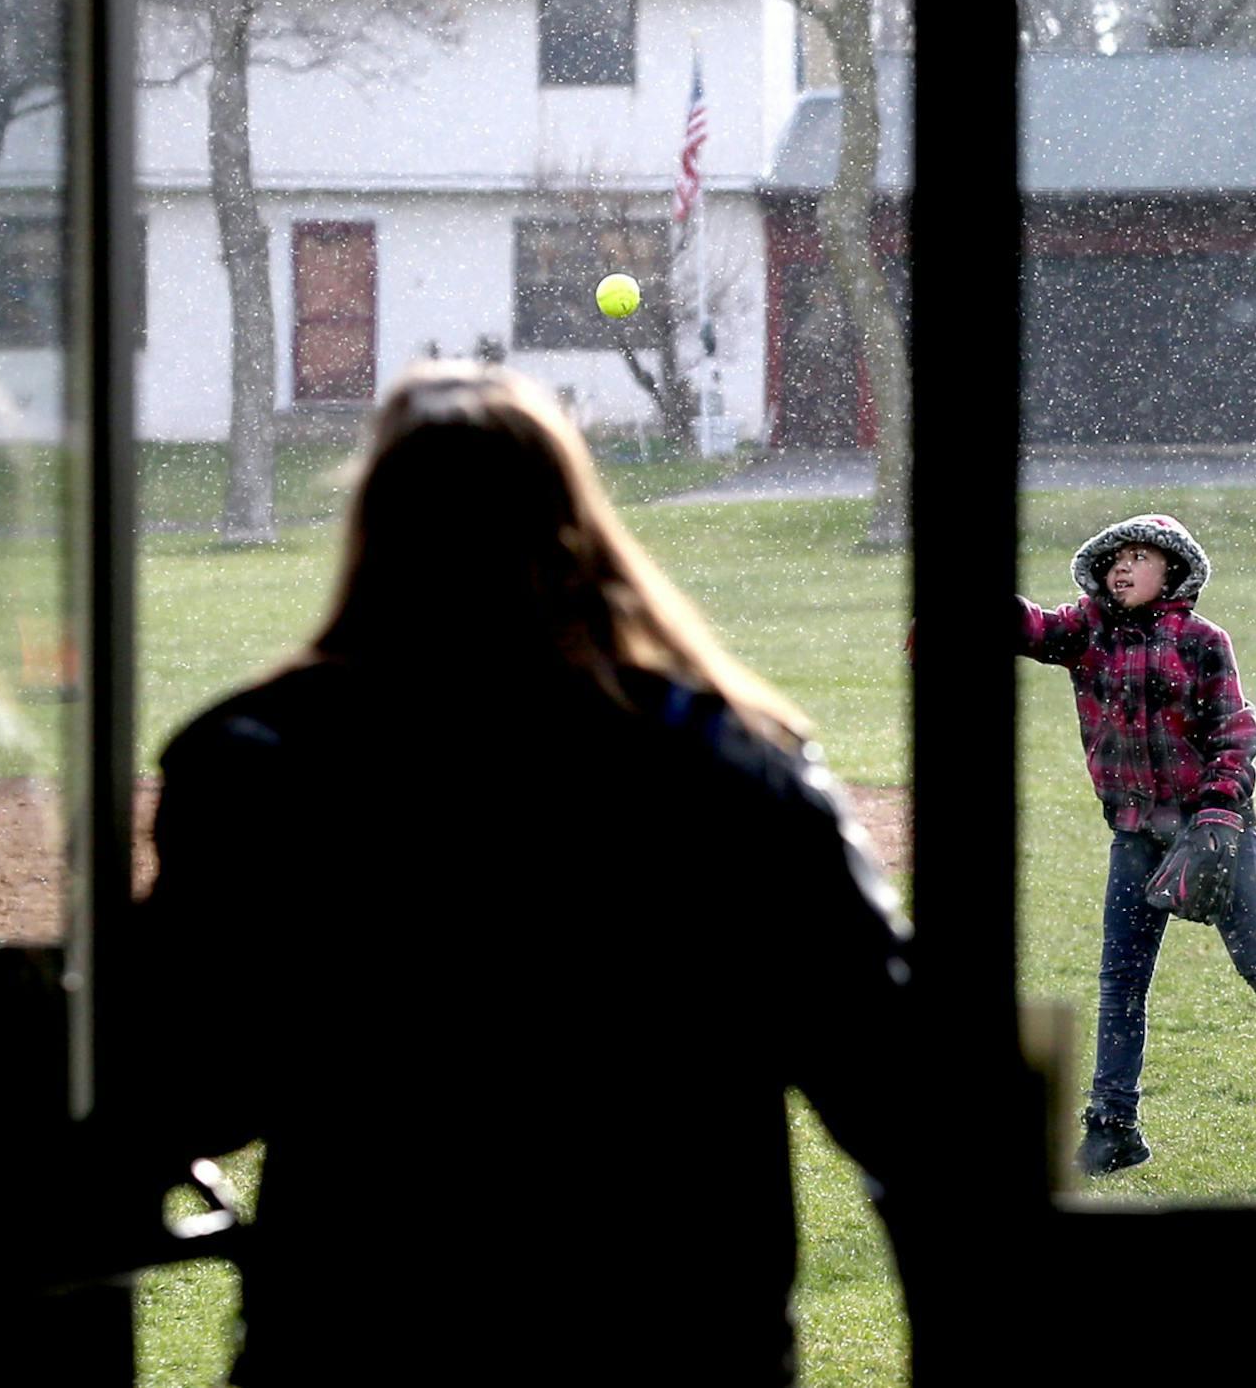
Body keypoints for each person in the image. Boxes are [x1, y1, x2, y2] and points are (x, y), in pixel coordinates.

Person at [131, 361, 922, 1383]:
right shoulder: (733, 762)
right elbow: (891, 1084)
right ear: (574, 521)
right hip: (676, 1338)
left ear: (376, 528)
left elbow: (190, 1091)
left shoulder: (261, 757)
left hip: (357, 1337)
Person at [1007, 512, 1256, 1175]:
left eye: (1139, 557)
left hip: (1213, 828)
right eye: (1115, 557)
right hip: (1137, 833)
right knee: (1121, 982)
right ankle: (1114, 1127)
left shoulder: (1203, 641)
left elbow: (1236, 730)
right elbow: (1027, 627)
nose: (1122, 567)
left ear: (1171, 569)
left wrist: (1221, 813)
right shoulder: (1086, 633)